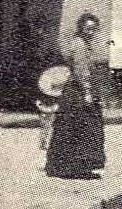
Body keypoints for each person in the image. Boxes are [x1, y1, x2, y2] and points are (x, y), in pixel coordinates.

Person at [45, 12, 106, 180]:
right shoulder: (79, 45)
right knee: (81, 128)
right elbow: (81, 72)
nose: (91, 32)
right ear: (81, 29)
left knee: (71, 128)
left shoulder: (83, 44)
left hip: (74, 92)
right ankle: (74, 167)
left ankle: (63, 166)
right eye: (88, 29)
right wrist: (87, 92)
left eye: (94, 29)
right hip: (77, 93)